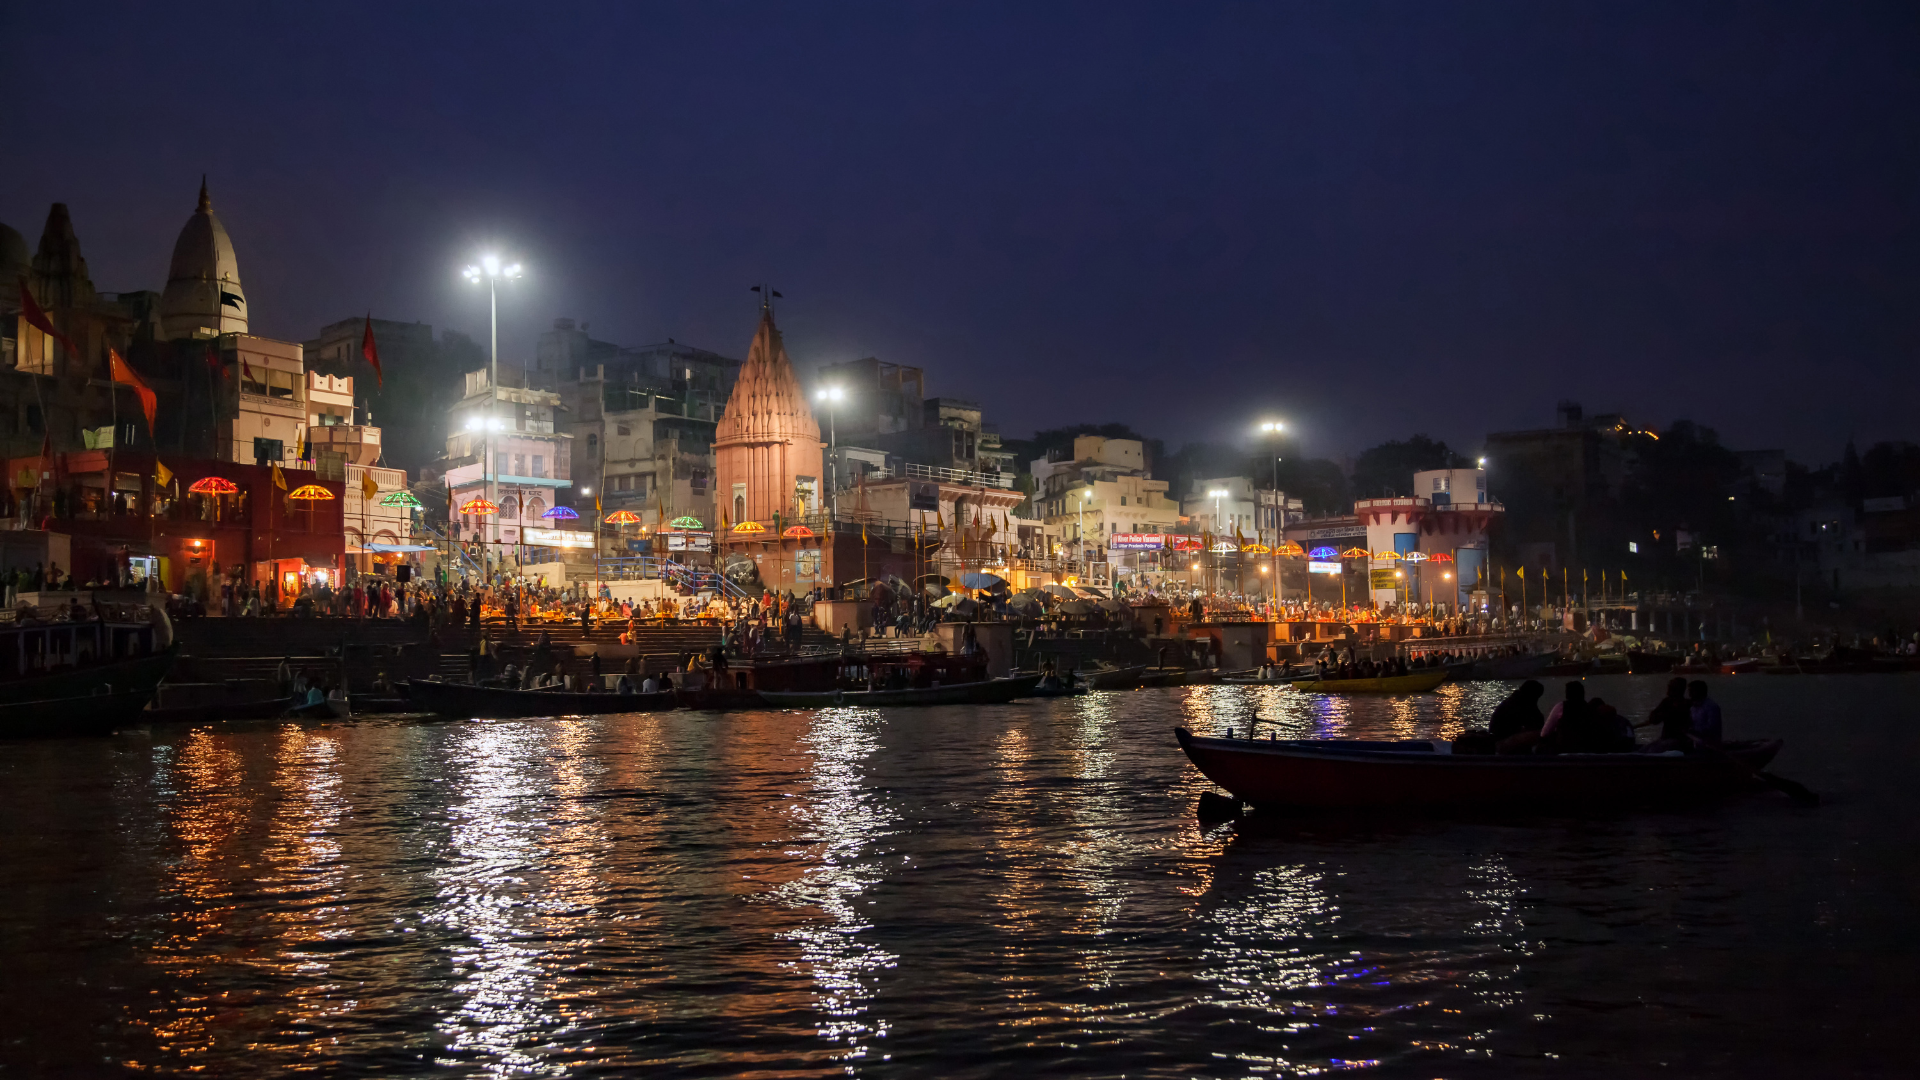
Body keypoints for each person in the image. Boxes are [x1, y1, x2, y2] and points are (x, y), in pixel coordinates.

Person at [1635, 677, 1693, 752]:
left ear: (1678, 689)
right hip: (1665, 738)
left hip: (1679, 740)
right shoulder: (1667, 701)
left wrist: (1664, 715)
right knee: (1643, 750)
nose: (1668, 689)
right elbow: (1653, 718)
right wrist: (1660, 716)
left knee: (1651, 750)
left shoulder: (1687, 704)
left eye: (1671, 687)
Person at [1488, 680, 1546, 754]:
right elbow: (1537, 722)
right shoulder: (1520, 705)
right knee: (1539, 734)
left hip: (1501, 741)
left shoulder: (1517, 701)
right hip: (1502, 743)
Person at [1688, 680, 1723, 746]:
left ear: (1700, 691)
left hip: (1710, 745)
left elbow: (1712, 728)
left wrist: (1693, 731)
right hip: (1697, 744)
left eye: (1692, 691)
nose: (1690, 694)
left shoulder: (1711, 707)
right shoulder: (1693, 708)